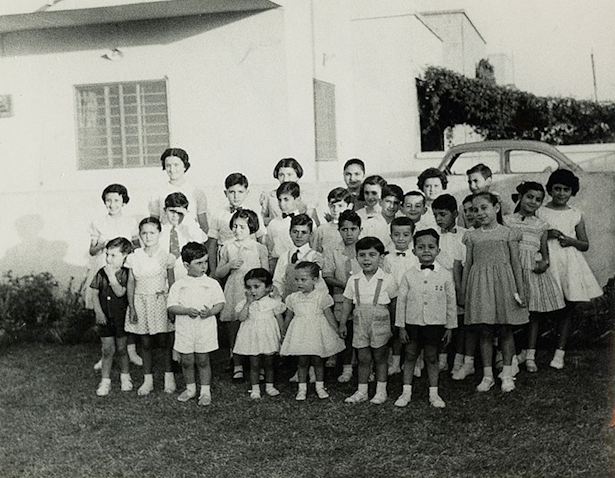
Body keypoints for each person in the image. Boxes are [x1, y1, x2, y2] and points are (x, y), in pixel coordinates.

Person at [461, 192, 528, 393]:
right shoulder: (472, 236)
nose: (480, 213)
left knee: (506, 329)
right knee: (485, 331)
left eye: (484, 208)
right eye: (475, 209)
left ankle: (507, 374)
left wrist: (520, 289)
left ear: (496, 208)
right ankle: (488, 375)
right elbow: (468, 265)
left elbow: (516, 264)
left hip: (504, 284)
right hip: (480, 285)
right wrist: (464, 292)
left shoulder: (508, 233)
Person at [537, 169, 603, 369]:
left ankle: (560, 353)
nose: (561, 193)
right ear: (550, 189)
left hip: (568, 264)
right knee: (539, 306)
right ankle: (529, 350)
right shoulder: (540, 211)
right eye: (557, 189)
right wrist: (548, 233)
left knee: (566, 308)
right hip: (547, 261)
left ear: (572, 191)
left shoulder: (575, 214)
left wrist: (571, 240)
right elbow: (531, 233)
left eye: (566, 190)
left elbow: (585, 244)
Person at [504, 182, 566, 373]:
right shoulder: (507, 221)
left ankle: (530, 354)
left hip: (531, 270)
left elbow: (544, 251)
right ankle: (510, 355)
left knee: (534, 314)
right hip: (512, 270)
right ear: (520, 197)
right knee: (509, 313)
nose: (533, 202)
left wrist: (544, 262)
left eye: (538, 199)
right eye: (529, 197)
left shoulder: (541, 225)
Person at [395, 229, 456, 408]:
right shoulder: (409, 275)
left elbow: (451, 303)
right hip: (412, 322)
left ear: (438, 250)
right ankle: (406, 393)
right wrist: (401, 327)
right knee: (410, 355)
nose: (426, 251)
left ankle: (434, 394)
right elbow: (401, 302)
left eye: (431, 247)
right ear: (414, 251)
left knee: (431, 357)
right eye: (421, 247)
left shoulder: (445, 275)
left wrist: (450, 326)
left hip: (435, 323)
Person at [86, 184, 141, 369]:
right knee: (106, 307)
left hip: (124, 268)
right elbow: (92, 250)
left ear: (124, 201)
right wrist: (103, 245)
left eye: (116, 200)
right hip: (104, 266)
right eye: (108, 200)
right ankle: (105, 353)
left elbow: (135, 246)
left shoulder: (131, 221)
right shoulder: (98, 222)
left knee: (126, 307)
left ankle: (131, 351)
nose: (112, 204)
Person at [340, 237, 398, 404]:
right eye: (362, 255)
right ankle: (362, 390)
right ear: (356, 257)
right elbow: (346, 303)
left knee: (380, 357)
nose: (366, 259)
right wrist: (343, 323)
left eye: (372, 255)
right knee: (363, 358)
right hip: (360, 322)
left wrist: (395, 324)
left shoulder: (387, 279)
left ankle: (381, 391)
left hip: (380, 321)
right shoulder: (354, 279)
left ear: (381, 258)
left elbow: (394, 303)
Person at [167, 242, 225, 406]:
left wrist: (211, 312)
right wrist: (185, 311)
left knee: (203, 359)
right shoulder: (179, 285)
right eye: (198, 263)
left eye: (205, 262)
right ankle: (191, 388)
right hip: (185, 328)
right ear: (186, 265)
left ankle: (205, 391)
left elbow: (220, 303)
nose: (204, 266)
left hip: (204, 328)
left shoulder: (211, 283)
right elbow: (171, 306)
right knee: (186, 360)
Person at [125, 217, 177, 395]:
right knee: (145, 342)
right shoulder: (134, 257)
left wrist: (171, 306)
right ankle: (148, 380)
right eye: (144, 233)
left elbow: (172, 283)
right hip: (141, 302)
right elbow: (131, 283)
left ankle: (169, 377)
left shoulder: (166, 257)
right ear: (139, 235)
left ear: (159, 234)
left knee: (165, 341)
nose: (148, 237)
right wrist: (132, 306)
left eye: (152, 233)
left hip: (160, 302)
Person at [216, 209, 269, 382]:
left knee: (256, 324)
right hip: (235, 287)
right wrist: (230, 265)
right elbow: (218, 272)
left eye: (242, 227)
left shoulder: (259, 248)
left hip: (254, 290)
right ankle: (236, 362)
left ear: (252, 228)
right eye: (235, 226)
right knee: (234, 324)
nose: (237, 230)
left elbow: (266, 273)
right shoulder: (228, 247)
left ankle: (259, 364)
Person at [280, 262, 345, 401]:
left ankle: (319, 387)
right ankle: (302, 389)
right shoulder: (293, 298)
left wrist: (337, 330)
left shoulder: (322, 296)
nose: (299, 283)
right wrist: (284, 333)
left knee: (318, 361)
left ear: (315, 280)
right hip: (300, 332)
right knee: (302, 361)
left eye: (303, 280)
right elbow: (289, 318)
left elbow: (329, 316)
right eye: (296, 279)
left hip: (316, 332)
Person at [322, 210, 362, 382]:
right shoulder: (333, 250)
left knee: (361, 331)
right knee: (344, 330)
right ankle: (344, 365)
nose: (349, 233)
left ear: (360, 229)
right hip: (341, 297)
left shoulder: (365, 249)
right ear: (339, 231)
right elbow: (327, 275)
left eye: (353, 229)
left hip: (363, 299)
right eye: (344, 229)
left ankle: (361, 365)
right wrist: (346, 286)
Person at [90, 237, 134, 396]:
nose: (108, 259)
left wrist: (112, 276)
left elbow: (120, 292)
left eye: (113, 255)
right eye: (107, 254)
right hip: (105, 317)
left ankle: (125, 377)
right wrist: (99, 312)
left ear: (125, 256)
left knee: (122, 349)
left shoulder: (127, 273)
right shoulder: (101, 272)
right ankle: (105, 380)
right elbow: (94, 294)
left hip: (121, 317)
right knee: (107, 349)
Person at [234, 268, 286, 400]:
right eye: (249, 287)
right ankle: (255, 387)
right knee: (254, 363)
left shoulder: (273, 302)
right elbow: (241, 318)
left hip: (268, 335)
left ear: (268, 288)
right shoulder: (246, 302)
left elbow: (280, 320)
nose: (252, 291)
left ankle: (269, 385)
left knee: (269, 362)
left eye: (256, 287)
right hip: (252, 336)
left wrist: (282, 335)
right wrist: (248, 303)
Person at [431, 194, 466, 373]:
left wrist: (462, 290)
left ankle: (459, 360)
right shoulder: (433, 235)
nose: (438, 219)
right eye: (435, 214)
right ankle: (442, 358)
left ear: (455, 213)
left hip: (459, 283)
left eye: (443, 214)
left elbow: (466, 263)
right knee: (442, 323)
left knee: (459, 322)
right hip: (438, 285)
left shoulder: (464, 235)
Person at [207, 173, 267, 272]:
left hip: (249, 260)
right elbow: (212, 245)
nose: (236, 196)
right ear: (225, 193)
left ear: (247, 192)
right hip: (225, 261)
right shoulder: (218, 215)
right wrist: (213, 271)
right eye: (232, 192)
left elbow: (262, 240)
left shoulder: (254, 213)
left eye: (240, 192)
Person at [382, 217, 416, 376]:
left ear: (412, 236)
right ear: (391, 236)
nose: (401, 239)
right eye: (396, 235)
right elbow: (387, 279)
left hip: (412, 299)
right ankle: (394, 363)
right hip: (394, 299)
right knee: (395, 331)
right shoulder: (387, 258)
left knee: (414, 331)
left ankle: (415, 362)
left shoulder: (416, 257)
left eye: (405, 235)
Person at [148, 148, 209, 234]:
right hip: (167, 240)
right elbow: (153, 224)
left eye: (176, 165)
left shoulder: (196, 192)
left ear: (184, 166)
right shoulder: (157, 193)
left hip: (191, 239)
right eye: (168, 165)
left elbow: (203, 223)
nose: (172, 169)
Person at [273, 213, 327, 300]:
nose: (299, 236)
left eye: (304, 232)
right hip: (287, 303)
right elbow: (278, 283)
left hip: (309, 303)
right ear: (289, 232)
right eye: (295, 232)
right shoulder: (284, 257)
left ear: (311, 234)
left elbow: (319, 286)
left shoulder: (315, 257)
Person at [159, 192, 208, 285]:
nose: (175, 216)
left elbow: (200, 239)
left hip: (185, 272)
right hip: (164, 274)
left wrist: (187, 216)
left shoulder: (190, 228)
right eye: (171, 211)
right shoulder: (160, 230)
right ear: (165, 210)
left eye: (179, 213)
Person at [260, 157, 318, 226]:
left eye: (289, 175)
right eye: (281, 175)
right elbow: (261, 221)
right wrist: (276, 222)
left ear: (297, 176)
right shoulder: (269, 196)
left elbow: (314, 224)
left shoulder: (306, 197)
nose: (285, 179)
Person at [266, 181, 301, 272]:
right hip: (277, 264)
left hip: (299, 264)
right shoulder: (273, 223)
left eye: (286, 199)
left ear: (297, 200)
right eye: (279, 200)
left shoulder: (306, 221)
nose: (282, 204)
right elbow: (270, 246)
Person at [311, 187, 353, 253]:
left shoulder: (355, 228)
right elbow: (314, 253)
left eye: (340, 206)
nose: (335, 210)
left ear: (349, 206)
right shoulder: (321, 230)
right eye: (332, 206)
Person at [356, 175, 390, 246]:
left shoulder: (389, 213)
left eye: (374, 193)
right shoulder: (358, 215)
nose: (370, 197)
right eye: (366, 193)